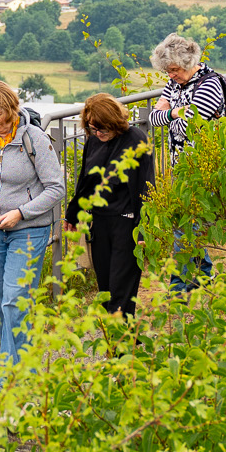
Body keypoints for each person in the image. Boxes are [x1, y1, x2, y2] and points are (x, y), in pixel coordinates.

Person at [0, 81, 65, 380]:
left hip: (29, 230)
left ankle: (7, 377)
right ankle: (26, 368)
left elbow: (56, 188)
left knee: (14, 300)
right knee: (1, 301)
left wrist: (21, 213)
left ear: (11, 109)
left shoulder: (33, 137)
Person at [148, 34, 226, 289]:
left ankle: (178, 286)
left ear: (188, 62)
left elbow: (188, 128)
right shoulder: (174, 84)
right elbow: (153, 118)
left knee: (184, 225)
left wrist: (170, 114)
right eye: (168, 71)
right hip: (180, 166)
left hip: (203, 167)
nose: (171, 75)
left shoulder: (209, 85)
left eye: (174, 69)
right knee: (186, 224)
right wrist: (175, 112)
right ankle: (204, 273)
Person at [64, 92, 152, 317]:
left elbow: (146, 187)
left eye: (102, 128)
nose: (98, 133)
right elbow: (86, 181)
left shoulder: (136, 139)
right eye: (93, 128)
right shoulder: (94, 140)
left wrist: (143, 229)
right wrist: (73, 213)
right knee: (104, 289)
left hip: (127, 224)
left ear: (114, 121)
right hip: (99, 223)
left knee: (120, 292)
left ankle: (122, 337)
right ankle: (115, 336)